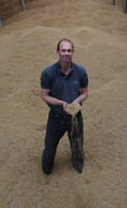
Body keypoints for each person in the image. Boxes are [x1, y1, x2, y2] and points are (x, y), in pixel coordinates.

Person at [40, 38, 89, 175]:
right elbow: (44, 95)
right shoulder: (48, 73)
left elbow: (85, 93)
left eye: (69, 50)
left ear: (73, 52)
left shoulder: (80, 71)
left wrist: (76, 103)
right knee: (50, 146)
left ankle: (78, 165)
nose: (66, 53)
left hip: (75, 116)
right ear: (57, 52)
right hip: (56, 117)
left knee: (77, 144)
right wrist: (62, 103)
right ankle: (47, 168)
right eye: (63, 50)